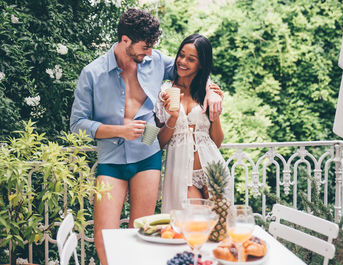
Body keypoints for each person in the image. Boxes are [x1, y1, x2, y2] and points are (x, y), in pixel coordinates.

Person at [69, 9, 222, 265]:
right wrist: (120, 129)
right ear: (125, 40)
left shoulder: (155, 61)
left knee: (142, 231)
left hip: (148, 156)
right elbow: (77, 124)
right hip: (111, 161)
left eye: (152, 47)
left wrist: (212, 92)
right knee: (104, 234)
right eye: (145, 46)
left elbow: (190, 69)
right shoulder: (92, 73)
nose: (149, 52)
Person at [155, 34, 233, 213]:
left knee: (218, 232)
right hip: (182, 173)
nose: (182, 61)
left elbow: (217, 142)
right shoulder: (166, 91)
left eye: (191, 59)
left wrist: (216, 115)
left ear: (201, 64)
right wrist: (173, 118)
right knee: (193, 227)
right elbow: (158, 142)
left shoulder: (208, 91)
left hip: (213, 169)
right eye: (181, 55)